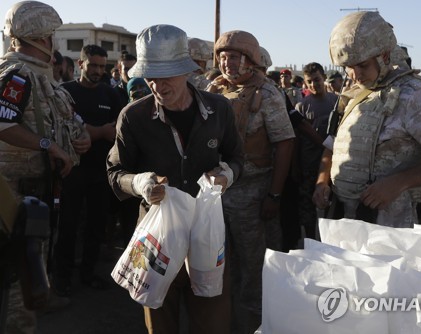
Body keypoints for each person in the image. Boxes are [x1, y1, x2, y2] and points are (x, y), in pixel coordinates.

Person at [107, 24, 243, 334]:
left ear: (186, 71)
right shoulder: (133, 117)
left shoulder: (219, 110)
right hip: (156, 238)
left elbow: (237, 158)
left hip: (207, 236)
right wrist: (141, 184)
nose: (157, 85)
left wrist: (226, 175)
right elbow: (115, 173)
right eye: (150, 76)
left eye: (166, 75)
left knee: (212, 320)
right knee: (159, 320)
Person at [312, 11, 421, 228]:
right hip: (348, 217)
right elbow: (334, 145)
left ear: (384, 56)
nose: (354, 75)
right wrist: (323, 182)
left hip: (393, 226)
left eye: (362, 65)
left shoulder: (412, 95)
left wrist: (401, 182)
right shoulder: (358, 94)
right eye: (347, 67)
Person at [0, 1, 90, 333]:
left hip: (36, 193)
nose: (53, 41)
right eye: (51, 34)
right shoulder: (17, 75)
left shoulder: (40, 77)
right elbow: (2, 122)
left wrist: (78, 141)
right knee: (16, 280)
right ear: (42, 36)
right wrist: (48, 145)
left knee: (32, 270)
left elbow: (62, 120)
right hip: (13, 197)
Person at [207, 30, 294, 334]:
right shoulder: (213, 89)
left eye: (234, 56)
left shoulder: (267, 94)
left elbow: (284, 143)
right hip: (216, 194)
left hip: (252, 193)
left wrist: (274, 195)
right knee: (220, 263)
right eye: (223, 56)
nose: (227, 63)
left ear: (250, 60)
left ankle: (255, 324)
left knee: (254, 267)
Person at [52, 44, 122, 297]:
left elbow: (118, 128)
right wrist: (98, 131)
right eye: (93, 65)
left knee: (96, 226)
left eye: (102, 66)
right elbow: (60, 127)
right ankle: (62, 278)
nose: (98, 71)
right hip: (71, 171)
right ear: (80, 64)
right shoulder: (64, 93)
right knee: (67, 226)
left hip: (101, 172)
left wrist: (97, 132)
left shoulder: (111, 95)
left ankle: (88, 273)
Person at [295, 62, 337, 238]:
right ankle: (312, 241)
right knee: (308, 209)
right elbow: (296, 141)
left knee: (334, 207)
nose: (314, 85)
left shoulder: (337, 101)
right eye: (309, 82)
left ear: (324, 78)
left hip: (334, 165)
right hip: (310, 165)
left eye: (317, 80)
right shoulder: (302, 106)